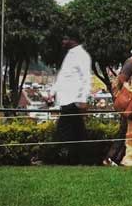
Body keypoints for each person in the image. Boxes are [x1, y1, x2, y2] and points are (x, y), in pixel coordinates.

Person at [49, 30, 92, 165]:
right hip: (67, 101)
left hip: (74, 101)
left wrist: (83, 100)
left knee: (64, 130)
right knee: (78, 132)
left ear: (72, 40)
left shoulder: (81, 56)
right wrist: (52, 92)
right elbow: (63, 77)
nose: (63, 42)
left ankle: (68, 159)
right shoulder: (70, 55)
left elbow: (86, 79)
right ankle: (81, 160)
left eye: (65, 39)